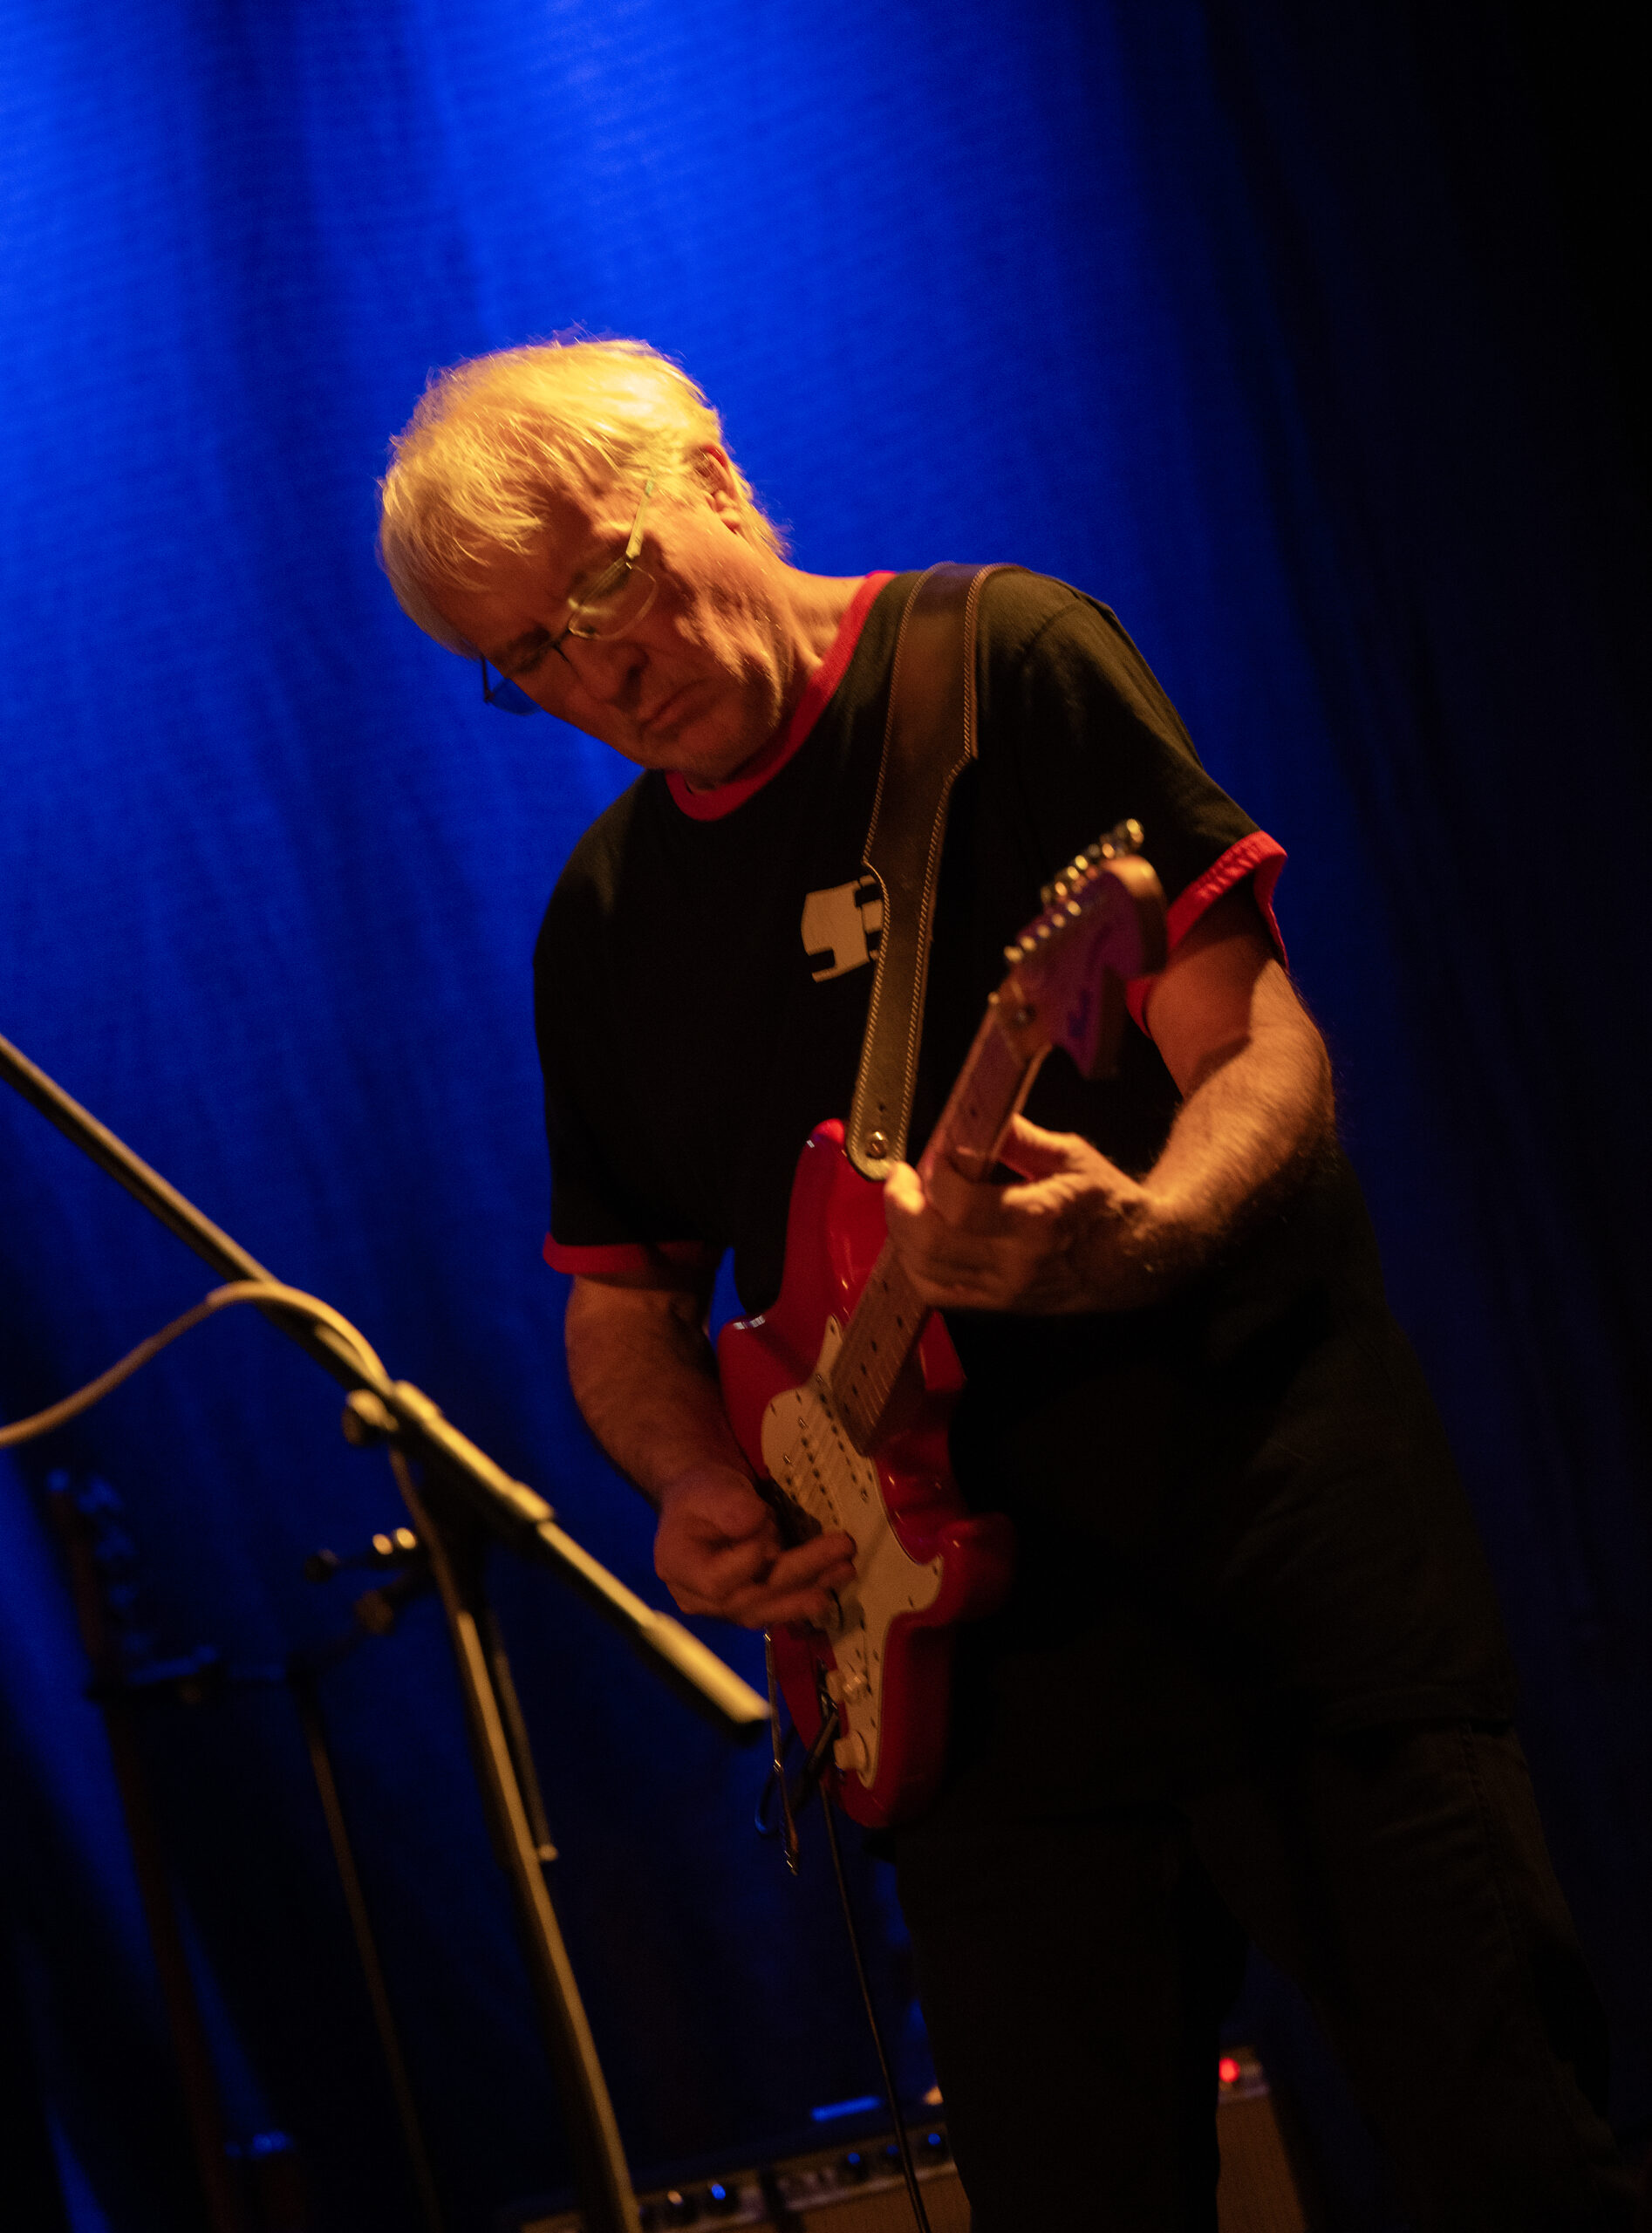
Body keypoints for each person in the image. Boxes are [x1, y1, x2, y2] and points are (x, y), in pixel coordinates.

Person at [378, 339, 1637, 2230]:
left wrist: (1148, 1225)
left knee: (1510, 2165)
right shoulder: (607, 916)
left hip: (1268, 1584)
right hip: (964, 1703)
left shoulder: (997, 665)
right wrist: (698, 1485)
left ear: (711, 477)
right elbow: (620, 1305)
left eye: (603, 586)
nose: (596, 674)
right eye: (529, 655)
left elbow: (1256, 1042)